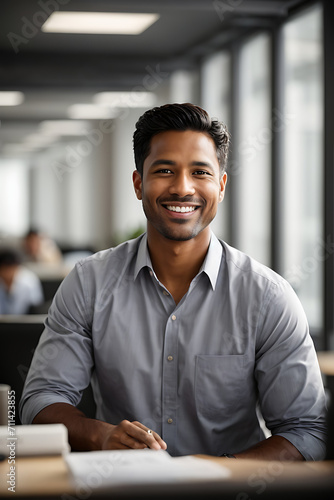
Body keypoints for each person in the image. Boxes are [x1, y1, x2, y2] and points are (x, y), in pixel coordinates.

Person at [20, 103, 327, 460]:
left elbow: (306, 431)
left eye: (200, 172)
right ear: (139, 183)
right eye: (165, 170)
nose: (183, 188)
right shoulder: (89, 283)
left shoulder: (268, 297)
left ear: (221, 186)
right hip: (121, 486)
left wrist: (214, 478)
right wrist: (98, 435)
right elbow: (41, 400)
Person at [0, 248, 44, 314]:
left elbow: (36, 307)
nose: (7, 273)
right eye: (5, 269)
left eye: (10, 269)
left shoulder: (29, 281)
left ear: (16, 267)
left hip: (27, 321)